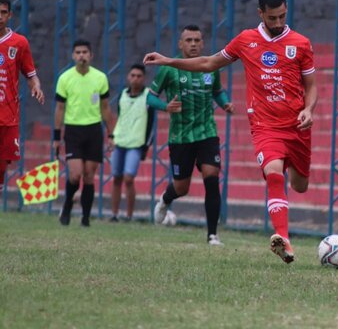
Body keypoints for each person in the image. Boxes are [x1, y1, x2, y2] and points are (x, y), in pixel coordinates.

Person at [144, 0, 317, 263]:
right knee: (273, 173)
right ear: (260, 14)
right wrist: (168, 60)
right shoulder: (246, 40)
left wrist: (309, 109)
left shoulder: (301, 43)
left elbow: (311, 85)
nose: (278, 23)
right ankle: (283, 239)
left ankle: (279, 216)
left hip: (297, 127)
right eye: (272, 18)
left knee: (300, 185)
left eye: (282, 17)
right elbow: (209, 62)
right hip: (264, 126)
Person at [147, 25, 234, 246]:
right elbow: (149, 98)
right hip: (181, 137)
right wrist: (166, 107)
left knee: (211, 178)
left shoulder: (210, 67)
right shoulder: (169, 69)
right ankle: (165, 200)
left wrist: (225, 103)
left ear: (202, 43)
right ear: (180, 44)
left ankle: (212, 235)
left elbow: (217, 91)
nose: (193, 44)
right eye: (188, 40)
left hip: (207, 133)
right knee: (182, 188)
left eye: (197, 40)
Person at [54, 39, 114, 227]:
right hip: (73, 130)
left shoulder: (100, 78)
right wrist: (57, 136)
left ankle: (85, 218)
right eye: (78, 52)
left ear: (91, 55)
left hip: (94, 129)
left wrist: (111, 134)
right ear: (73, 56)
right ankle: (67, 206)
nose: (81, 56)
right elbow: (60, 108)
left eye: (84, 52)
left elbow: (105, 107)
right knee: (75, 174)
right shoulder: (65, 78)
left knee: (89, 175)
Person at [0, 0, 45, 194]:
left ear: (9, 15)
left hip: (8, 116)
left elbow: (31, 74)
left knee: (1, 169)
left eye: (3, 13)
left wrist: (36, 86)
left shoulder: (19, 43)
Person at [109, 63, 155, 222]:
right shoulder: (122, 94)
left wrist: (146, 146)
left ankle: (129, 215)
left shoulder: (148, 96)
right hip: (120, 141)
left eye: (139, 76)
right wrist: (113, 137)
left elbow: (151, 123)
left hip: (136, 143)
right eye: (133, 75)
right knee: (116, 177)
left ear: (144, 78)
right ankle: (114, 214)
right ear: (128, 77)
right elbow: (121, 118)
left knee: (128, 178)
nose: (135, 79)